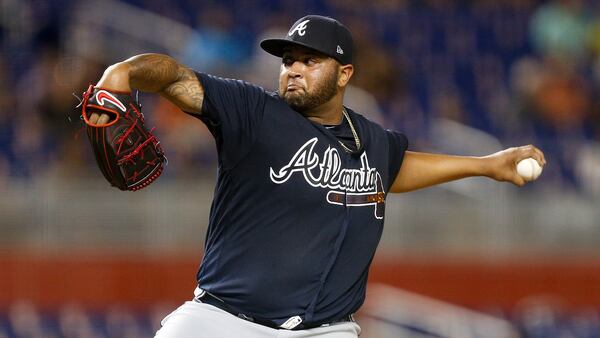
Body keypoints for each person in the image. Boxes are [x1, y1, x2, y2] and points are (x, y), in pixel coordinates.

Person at [88, 15, 546, 338]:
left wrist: (487, 165)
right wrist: (123, 72)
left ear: (344, 73)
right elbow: (172, 76)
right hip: (224, 322)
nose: (293, 70)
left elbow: (396, 169)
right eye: (289, 60)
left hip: (327, 330)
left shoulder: (370, 139)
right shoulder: (251, 111)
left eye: (310, 60)